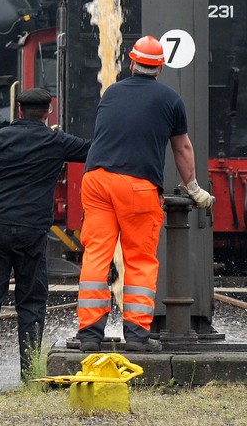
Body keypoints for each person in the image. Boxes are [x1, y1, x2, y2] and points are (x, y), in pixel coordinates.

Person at [74, 35, 214, 354]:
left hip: (95, 180)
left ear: (132, 61)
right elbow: (182, 147)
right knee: (138, 258)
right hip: (136, 185)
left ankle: (89, 335)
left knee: (96, 254)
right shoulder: (170, 100)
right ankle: (136, 335)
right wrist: (191, 186)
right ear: (160, 67)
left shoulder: (111, 93)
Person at [0, 87, 91, 396]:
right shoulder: (56, 141)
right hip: (32, 232)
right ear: (48, 112)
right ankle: (31, 373)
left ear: (18, 111)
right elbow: (93, 150)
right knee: (32, 303)